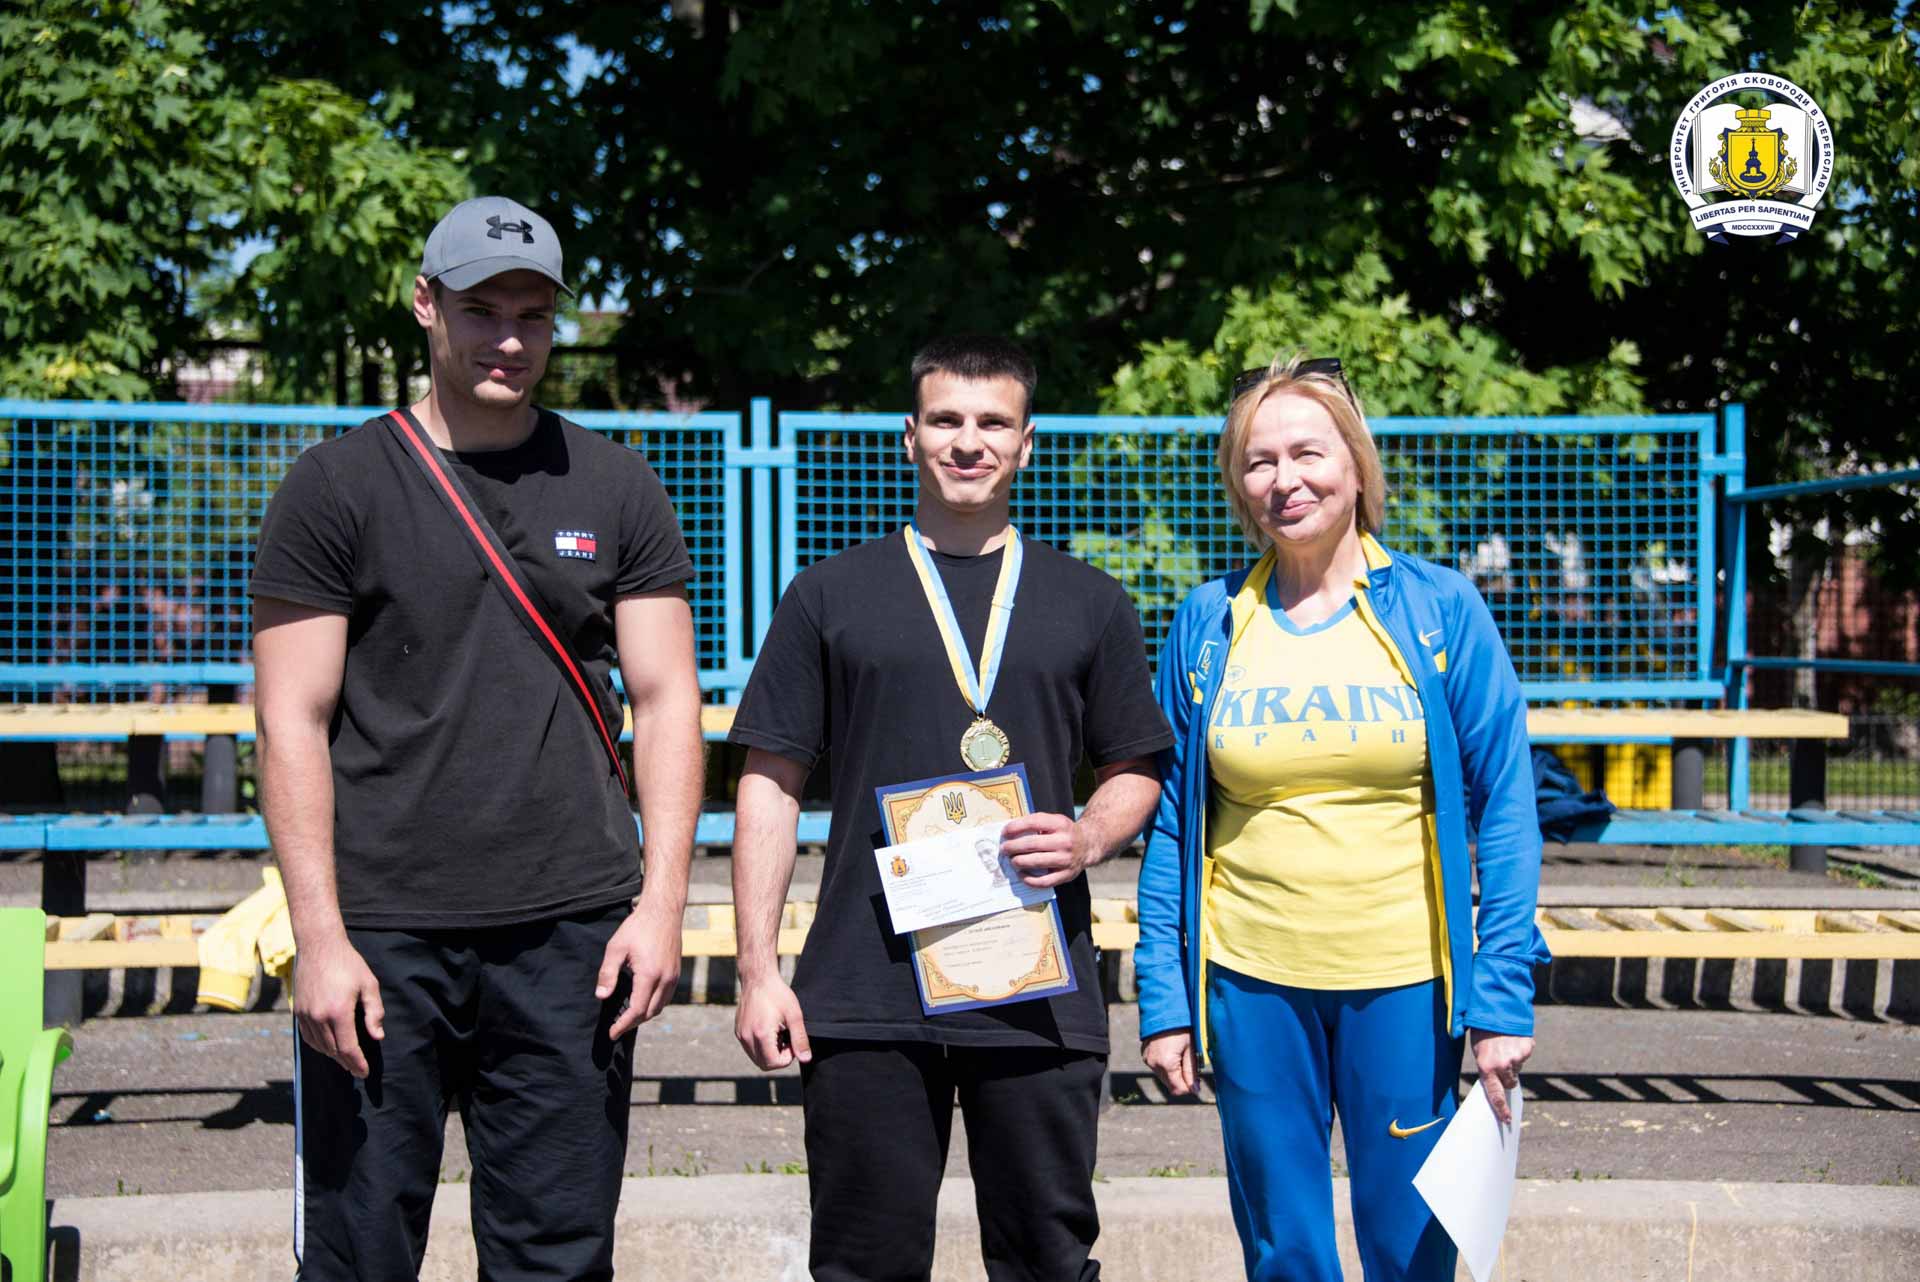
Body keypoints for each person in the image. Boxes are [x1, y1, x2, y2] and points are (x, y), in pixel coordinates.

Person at [251, 195, 704, 1282]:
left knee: (555, 1258)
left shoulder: (616, 482)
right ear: (424, 304)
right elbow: (290, 719)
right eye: (481, 309)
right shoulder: (336, 487)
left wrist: (661, 908)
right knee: (358, 1255)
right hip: (382, 936)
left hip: (573, 939)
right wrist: (319, 937)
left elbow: (670, 697)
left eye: (533, 315)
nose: (508, 337)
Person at [727, 335, 1172, 1282]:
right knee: (864, 1265)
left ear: (1027, 441)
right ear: (910, 435)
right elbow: (768, 781)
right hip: (865, 992)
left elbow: (1138, 764)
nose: (968, 443)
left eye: (992, 423)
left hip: (1035, 987)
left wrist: (1090, 832)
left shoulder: (1090, 602)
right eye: (947, 421)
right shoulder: (827, 595)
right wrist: (758, 970)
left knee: (1048, 1259)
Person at [1134, 355, 1549, 1282]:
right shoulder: (1208, 624)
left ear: (1357, 467)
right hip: (1250, 983)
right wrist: (1164, 999)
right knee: (1285, 1249)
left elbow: (1507, 811)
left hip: (1407, 984)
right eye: (1259, 460)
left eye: (1309, 453)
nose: (1287, 480)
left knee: (1411, 1249)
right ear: (1239, 484)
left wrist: (1502, 996)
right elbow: (1172, 824)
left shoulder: (1441, 611)